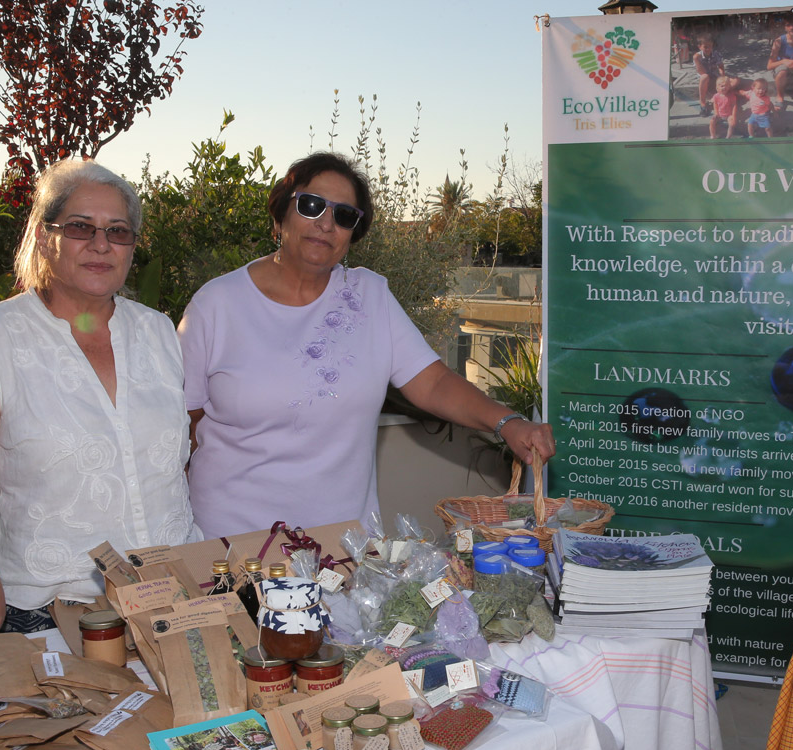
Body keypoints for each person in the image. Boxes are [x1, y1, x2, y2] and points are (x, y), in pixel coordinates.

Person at [179, 151, 556, 538]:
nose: (326, 223)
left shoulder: (369, 296)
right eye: (311, 205)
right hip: (230, 543)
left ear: (352, 235)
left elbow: (432, 383)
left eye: (344, 215)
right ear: (279, 216)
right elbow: (179, 426)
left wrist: (507, 422)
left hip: (342, 545)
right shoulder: (216, 305)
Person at [0, 159, 201, 637]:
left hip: (171, 599)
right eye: (80, 227)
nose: (101, 244)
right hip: (46, 610)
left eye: (118, 231)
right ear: (43, 236)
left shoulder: (158, 331)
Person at [767, 13, 793, 107]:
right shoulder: (779, 41)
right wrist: (784, 61)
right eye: (788, 25)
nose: (791, 27)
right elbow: (769, 66)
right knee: (781, 70)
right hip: (783, 71)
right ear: (785, 27)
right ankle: (780, 96)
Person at [692, 36, 726, 117]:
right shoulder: (697, 56)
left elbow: (721, 66)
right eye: (705, 47)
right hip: (704, 78)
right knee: (705, 77)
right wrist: (696, 60)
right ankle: (703, 104)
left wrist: (722, 76)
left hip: (714, 75)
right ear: (700, 47)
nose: (708, 49)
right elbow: (701, 72)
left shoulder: (716, 54)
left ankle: (720, 100)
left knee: (734, 80)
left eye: (710, 46)